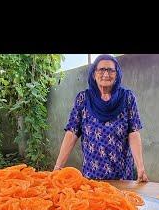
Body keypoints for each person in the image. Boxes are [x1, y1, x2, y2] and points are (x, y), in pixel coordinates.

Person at [53, 54, 149, 182]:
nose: (106, 74)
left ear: (117, 74)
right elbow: (72, 133)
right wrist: (58, 168)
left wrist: (140, 167)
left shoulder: (127, 98)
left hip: (122, 176)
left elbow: (134, 132)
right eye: (101, 69)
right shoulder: (83, 99)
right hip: (92, 176)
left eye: (110, 70)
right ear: (94, 74)